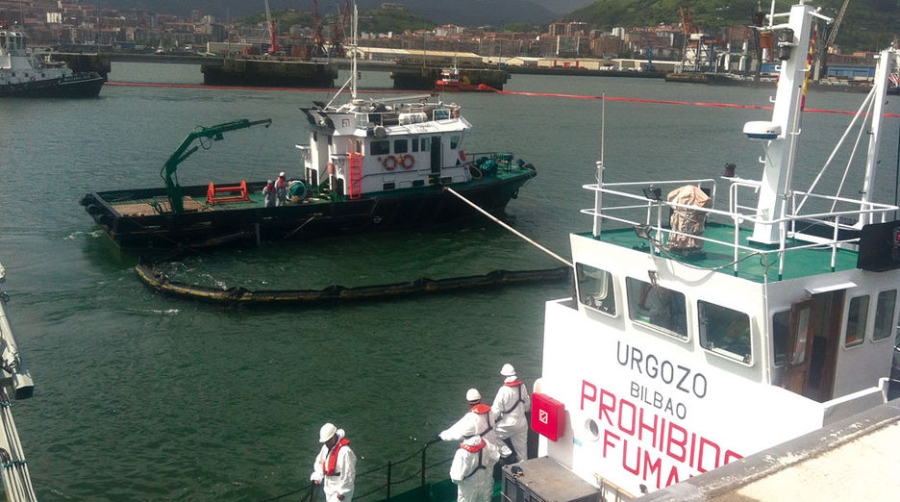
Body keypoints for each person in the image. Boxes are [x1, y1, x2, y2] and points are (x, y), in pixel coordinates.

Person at [491, 363, 531, 463]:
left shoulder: (503, 390)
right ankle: (524, 474)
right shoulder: (522, 386)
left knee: (490, 434)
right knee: (522, 452)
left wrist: (489, 421)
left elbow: (495, 410)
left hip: (508, 424)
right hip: (522, 423)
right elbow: (527, 404)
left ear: (504, 376)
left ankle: (506, 453)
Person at [310, 423, 357, 502]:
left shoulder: (345, 452)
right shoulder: (326, 448)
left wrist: (343, 492)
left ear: (334, 436)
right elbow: (320, 462)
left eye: (328, 441)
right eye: (325, 441)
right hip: (329, 489)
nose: (326, 443)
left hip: (339, 492)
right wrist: (318, 476)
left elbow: (348, 474)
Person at [449, 435, 501, 502]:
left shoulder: (462, 453)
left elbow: (456, 478)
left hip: (469, 488)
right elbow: (495, 458)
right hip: (485, 483)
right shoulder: (486, 443)